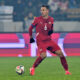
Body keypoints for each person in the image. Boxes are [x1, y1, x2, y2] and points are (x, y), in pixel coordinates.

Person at [29, 4, 71, 76]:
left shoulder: (51, 19)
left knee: (61, 54)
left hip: (49, 40)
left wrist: (51, 31)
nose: (42, 11)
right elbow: (30, 28)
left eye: (43, 10)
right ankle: (32, 68)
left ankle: (67, 71)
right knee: (43, 55)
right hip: (41, 41)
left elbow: (51, 29)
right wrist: (31, 37)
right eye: (41, 10)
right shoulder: (37, 19)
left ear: (47, 11)